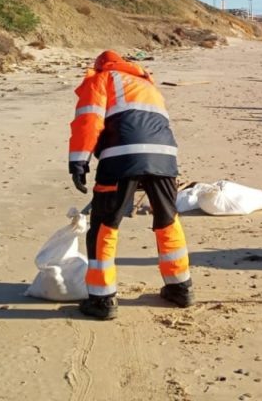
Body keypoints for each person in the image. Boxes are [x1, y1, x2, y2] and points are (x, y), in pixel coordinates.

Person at [68, 50, 194, 319]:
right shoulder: (146, 84)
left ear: (100, 65)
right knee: (167, 219)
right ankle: (180, 288)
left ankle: (102, 299)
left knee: (105, 224)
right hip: (164, 158)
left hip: (121, 157)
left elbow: (89, 121)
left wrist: (78, 161)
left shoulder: (102, 79)